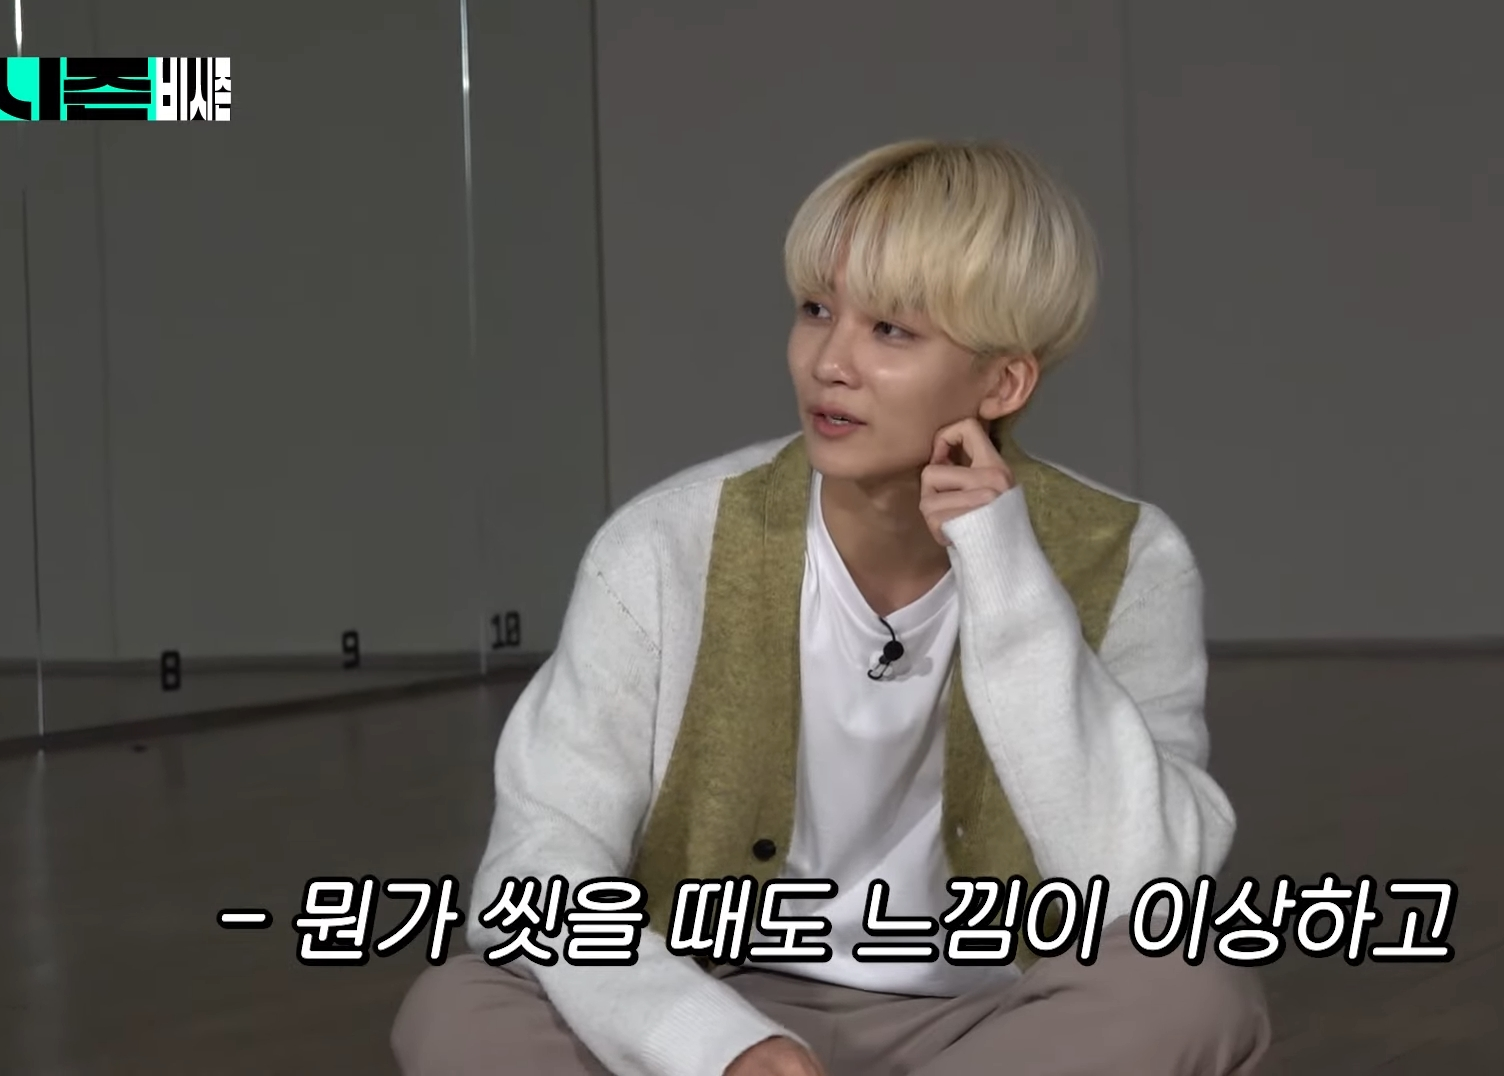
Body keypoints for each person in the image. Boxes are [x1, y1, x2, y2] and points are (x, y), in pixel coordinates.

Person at [392, 138, 1270, 1076]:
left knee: (1191, 992)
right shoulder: (661, 547)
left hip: (988, 1024)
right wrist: (715, 1045)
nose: (829, 363)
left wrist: (1009, 577)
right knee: (460, 1008)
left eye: (891, 330)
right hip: (711, 995)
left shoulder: (1130, 558)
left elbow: (1147, 887)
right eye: (816, 310)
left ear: (1003, 381)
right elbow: (538, 863)